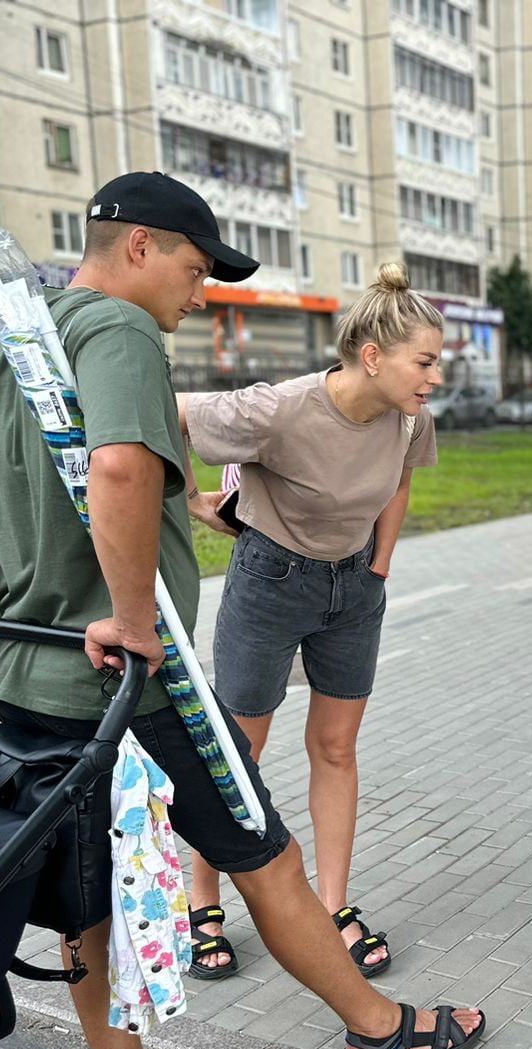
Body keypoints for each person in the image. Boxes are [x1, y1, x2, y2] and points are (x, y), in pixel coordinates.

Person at [0, 172, 483, 1049]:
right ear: (141, 247)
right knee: (265, 856)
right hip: (131, 692)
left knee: (80, 901)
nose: (198, 294)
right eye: (195, 271)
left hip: (24, 683)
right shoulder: (116, 334)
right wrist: (125, 608)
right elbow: (116, 465)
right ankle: (378, 1026)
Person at [177, 263, 441, 980]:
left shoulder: (410, 415)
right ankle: (203, 903)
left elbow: (402, 477)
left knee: (335, 749)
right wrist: (193, 501)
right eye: (425, 361)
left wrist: (380, 561)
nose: (433, 377)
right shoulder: (281, 408)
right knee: (238, 754)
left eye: (437, 362)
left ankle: (332, 904)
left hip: (355, 589)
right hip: (270, 582)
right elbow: (172, 414)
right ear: (373, 356)